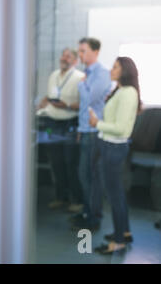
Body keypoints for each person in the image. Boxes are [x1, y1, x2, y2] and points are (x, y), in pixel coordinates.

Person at [89, 57, 141, 254]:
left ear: (125, 70)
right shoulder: (120, 90)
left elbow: (120, 129)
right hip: (109, 145)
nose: (111, 69)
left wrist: (97, 124)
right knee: (116, 193)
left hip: (114, 148)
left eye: (116, 67)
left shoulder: (128, 93)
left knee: (115, 196)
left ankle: (118, 241)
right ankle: (124, 232)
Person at [71, 38, 111, 231]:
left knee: (90, 178)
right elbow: (84, 109)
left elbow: (90, 98)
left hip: (95, 133)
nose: (80, 55)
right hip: (86, 131)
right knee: (83, 175)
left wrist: (82, 85)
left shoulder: (102, 74)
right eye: (79, 51)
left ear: (96, 51)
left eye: (83, 51)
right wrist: (80, 130)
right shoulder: (87, 74)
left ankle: (93, 218)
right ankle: (88, 212)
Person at [37, 48, 84, 213]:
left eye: (68, 56)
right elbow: (50, 96)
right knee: (55, 162)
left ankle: (76, 200)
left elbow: (85, 104)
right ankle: (60, 198)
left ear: (75, 61)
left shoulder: (80, 78)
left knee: (71, 163)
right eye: (63, 55)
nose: (64, 58)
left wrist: (68, 105)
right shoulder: (53, 75)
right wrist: (44, 101)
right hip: (51, 124)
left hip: (69, 123)